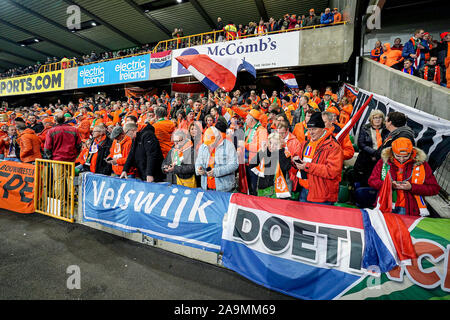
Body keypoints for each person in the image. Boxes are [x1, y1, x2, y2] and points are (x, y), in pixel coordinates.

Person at [368, 137, 440, 216]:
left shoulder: (422, 165)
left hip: (410, 209)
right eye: (398, 156)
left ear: (412, 152)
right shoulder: (383, 162)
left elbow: (434, 189)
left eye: (406, 156)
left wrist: (412, 187)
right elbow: (372, 181)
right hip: (387, 205)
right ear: (392, 152)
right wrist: (389, 185)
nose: (402, 159)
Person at [293, 112, 344, 205]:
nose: (311, 132)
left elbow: (332, 171)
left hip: (322, 195)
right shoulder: (306, 143)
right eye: (309, 129)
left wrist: (307, 167)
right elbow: (299, 158)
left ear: (322, 128)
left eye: (314, 129)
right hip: (304, 190)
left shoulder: (333, 147)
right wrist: (295, 160)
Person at [195, 123, 238, 193]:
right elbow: (198, 161)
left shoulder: (228, 145)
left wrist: (216, 171)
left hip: (224, 188)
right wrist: (198, 168)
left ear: (218, 137)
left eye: (211, 142)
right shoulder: (203, 146)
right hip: (206, 187)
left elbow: (234, 164)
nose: (209, 145)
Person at [353, 110, 389, 187]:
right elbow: (361, 144)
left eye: (380, 118)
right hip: (367, 157)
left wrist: (378, 155)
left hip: (382, 158)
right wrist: (373, 153)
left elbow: (388, 144)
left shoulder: (386, 130)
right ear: (371, 119)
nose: (378, 120)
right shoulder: (365, 128)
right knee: (366, 179)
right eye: (375, 118)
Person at [250, 132, 291, 199]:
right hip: (262, 189)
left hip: (277, 192)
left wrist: (279, 151)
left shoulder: (285, 154)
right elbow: (252, 165)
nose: (271, 146)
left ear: (280, 145)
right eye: (270, 143)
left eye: (275, 144)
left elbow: (284, 167)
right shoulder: (264, 152)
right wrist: (262, 152)